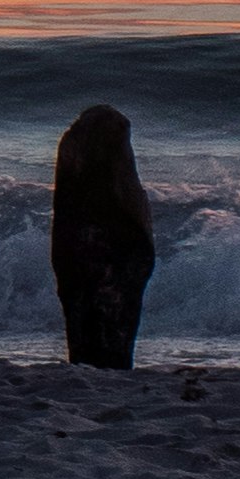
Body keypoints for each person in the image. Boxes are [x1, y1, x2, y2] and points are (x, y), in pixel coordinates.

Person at [48, 103, 154, 371]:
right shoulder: (125, 189)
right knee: (113, 327)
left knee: (87, 321)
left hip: (81, 250)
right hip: (109, 251)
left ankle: (87, 361)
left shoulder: (73, 162)